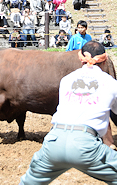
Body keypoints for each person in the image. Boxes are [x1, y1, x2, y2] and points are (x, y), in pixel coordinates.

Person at [20, 41, 117, 185]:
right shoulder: (111, 84)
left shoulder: (66, 80)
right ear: (104, 61)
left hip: (53, 141)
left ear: (80, 59)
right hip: (86, 145)